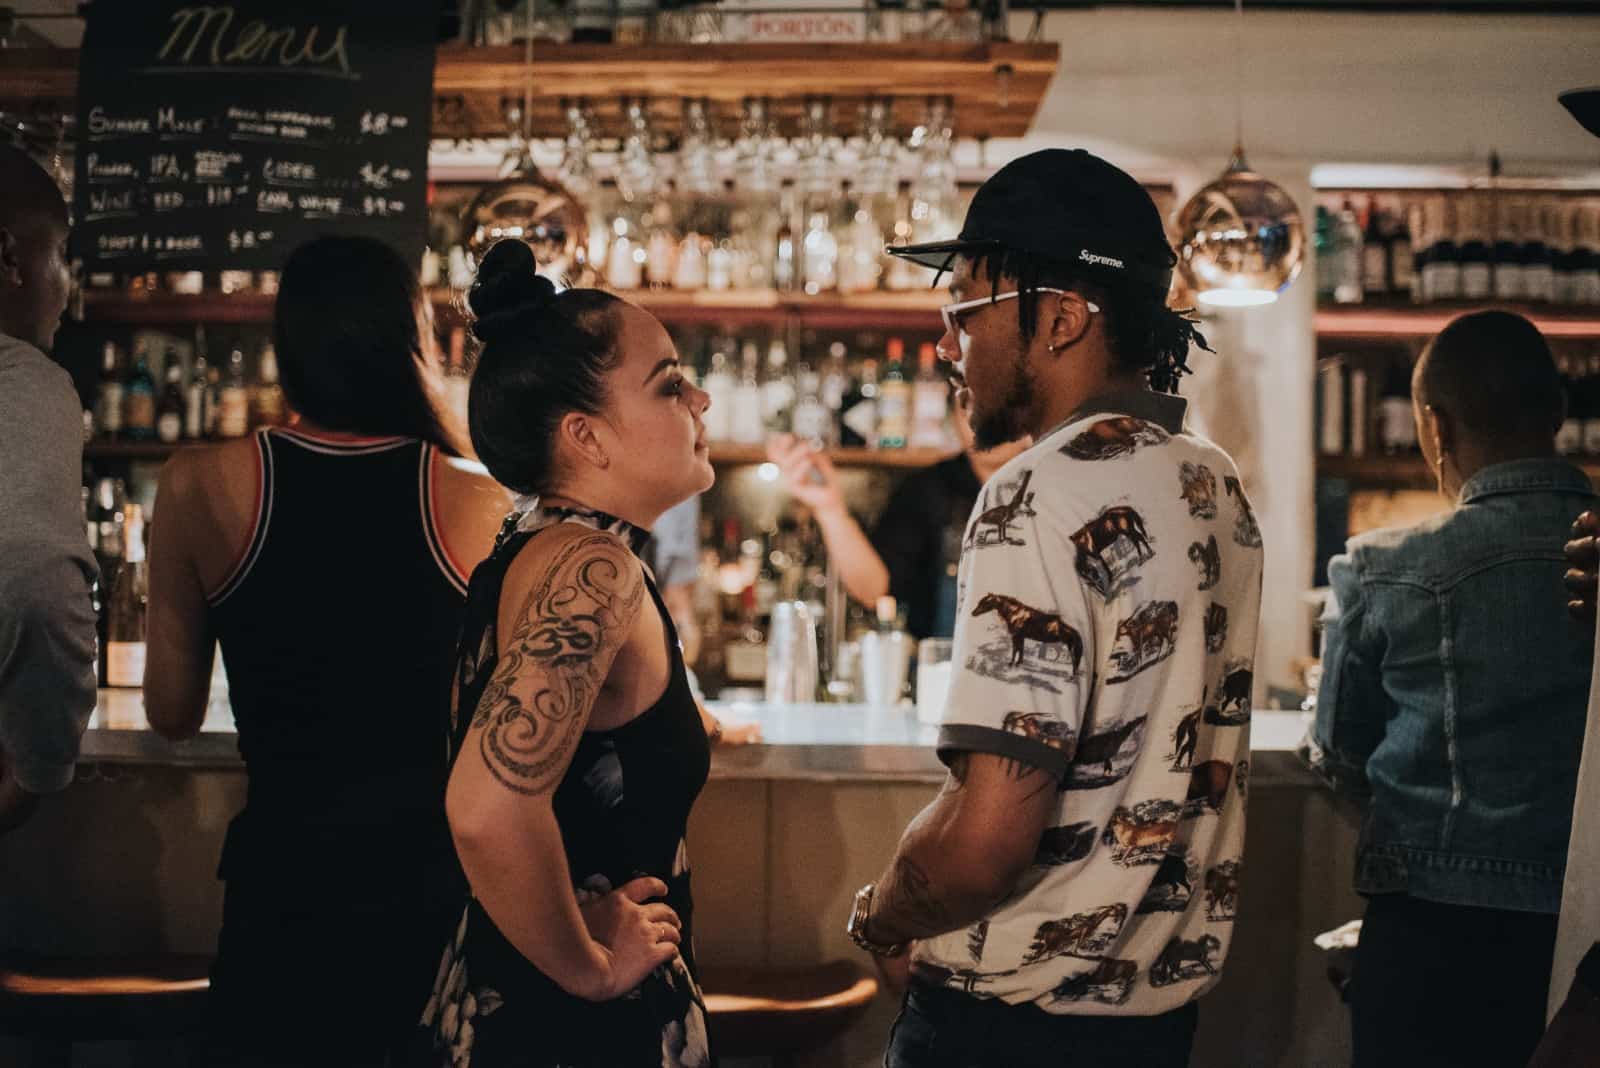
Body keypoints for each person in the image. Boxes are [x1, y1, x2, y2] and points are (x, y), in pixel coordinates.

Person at [845, 148, 1261, 1068]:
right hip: (1151, 1026)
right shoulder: (1212, 481)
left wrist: (882, 913)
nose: (946, 346)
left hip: (1003, 1029)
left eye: (963, 310)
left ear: (1065, 318)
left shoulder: (1035, 492)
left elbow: (987, 841)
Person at [143, 235, 510, 1065]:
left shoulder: (199, 485)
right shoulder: (476, 497)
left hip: (284, 885)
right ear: (412, 341)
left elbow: (169, 712)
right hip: (428, 891)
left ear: (289, 344)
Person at [415, 239, 723, 1068]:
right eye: (668, 384)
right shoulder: (593, 567)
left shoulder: (541, 544)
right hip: (572, 1029)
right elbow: (487, 807)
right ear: (587, 437)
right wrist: (589, 968)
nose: (700, 396)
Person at [1309, 310, 1595, 1068]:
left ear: (1434, 425)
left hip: (1431, 929)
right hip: (1586, 934)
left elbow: (1339, 751)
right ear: (1560, 414)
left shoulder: (1380, 567)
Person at [0, 144, 97, 835]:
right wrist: (37, 769)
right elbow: (36, 583)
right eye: (60, 254)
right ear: (10, 257)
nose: (67, 284)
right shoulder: (24, 380)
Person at [767, 391, 1029, 640]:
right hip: (940, 677)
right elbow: (875, 589)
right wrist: (829, 508)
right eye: (973, 407)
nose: (990, 423)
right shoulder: (927, 489)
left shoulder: (1058, 487)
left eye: (1004, 409)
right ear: (954, 417)